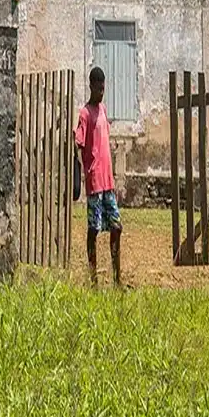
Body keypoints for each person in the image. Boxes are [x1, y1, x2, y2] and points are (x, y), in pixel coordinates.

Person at [74, 66, 122, 286]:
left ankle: (116, 277)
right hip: (94, 181)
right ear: (91, 86)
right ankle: (93, 280)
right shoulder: (85, 114)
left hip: (108, 181)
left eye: (103, 89)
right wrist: (80, 171)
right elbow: (78, 143)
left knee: (116, 227)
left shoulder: (102, 110)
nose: (101, 93)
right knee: (93, 229)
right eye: (98, 89)